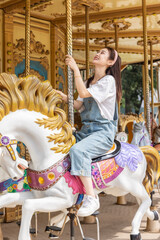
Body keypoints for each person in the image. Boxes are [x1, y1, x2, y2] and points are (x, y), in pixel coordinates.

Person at [56, 47, 122, 217]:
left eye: (103, 53)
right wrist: (62, 96)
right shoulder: (87, 82)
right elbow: (79, 105)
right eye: (98, 51)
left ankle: (91, 198)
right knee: (60, 144)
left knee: (78, 150)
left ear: (110, 62)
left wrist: (75, 69)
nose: (98, 53)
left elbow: (84, 93)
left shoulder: (108, 81)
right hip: (86, 131)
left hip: (102, 132)